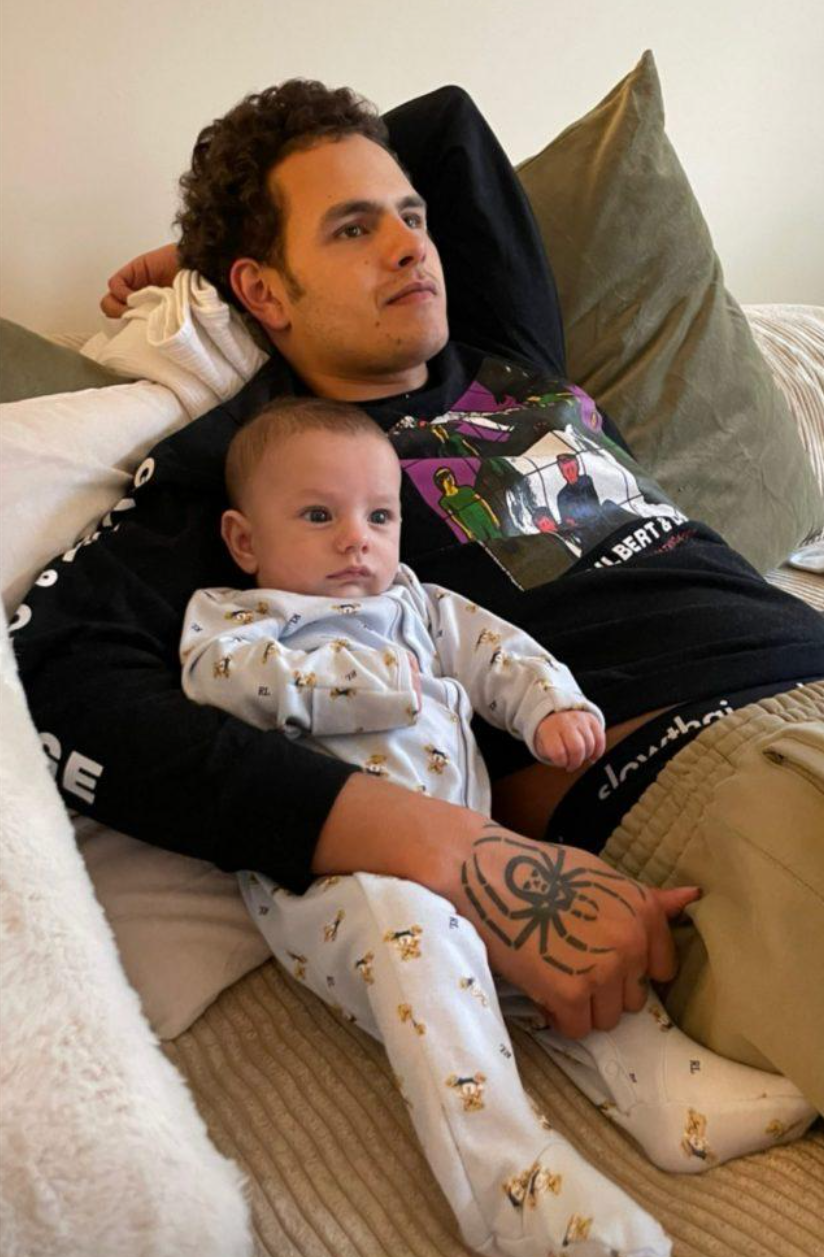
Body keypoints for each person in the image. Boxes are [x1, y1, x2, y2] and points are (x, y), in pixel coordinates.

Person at [13, 80, 824, 1117]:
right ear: (266, 294)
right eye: (353, 229)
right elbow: (61, 672)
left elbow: (448, 124)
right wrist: (451, 845)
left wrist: (212, 253)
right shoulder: (271, 469)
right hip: (703, 762)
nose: (410, 248)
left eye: (411, 218)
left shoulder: (504, 357)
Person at [179, 395, 812, 1257]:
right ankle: (506, 1179)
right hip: (339, 887)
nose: (356, 540)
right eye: (319, 516)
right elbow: (221, 683)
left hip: (477, 851)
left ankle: (667, 1090)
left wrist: (551, 706)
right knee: (415, 936)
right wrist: (369, 687)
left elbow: (497, 650)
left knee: (566, 906)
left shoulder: (415, 601)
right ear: (245, 539)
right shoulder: (240, 620)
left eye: (378, 516)